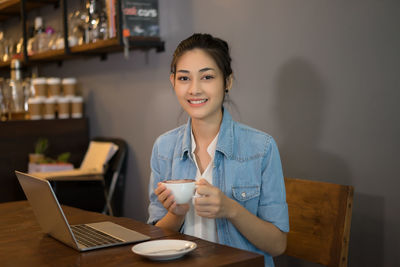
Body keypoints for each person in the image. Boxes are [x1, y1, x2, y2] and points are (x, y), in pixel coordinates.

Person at [147, 33, 289, 267]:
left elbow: (277, 245)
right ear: (172, 82)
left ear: (228, 82)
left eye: (207, 77)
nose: (194, 89)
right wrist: (177, 213)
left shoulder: (261, 148)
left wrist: (231, 209)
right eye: (184, 78)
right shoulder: (163, 148)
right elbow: (155, 236)